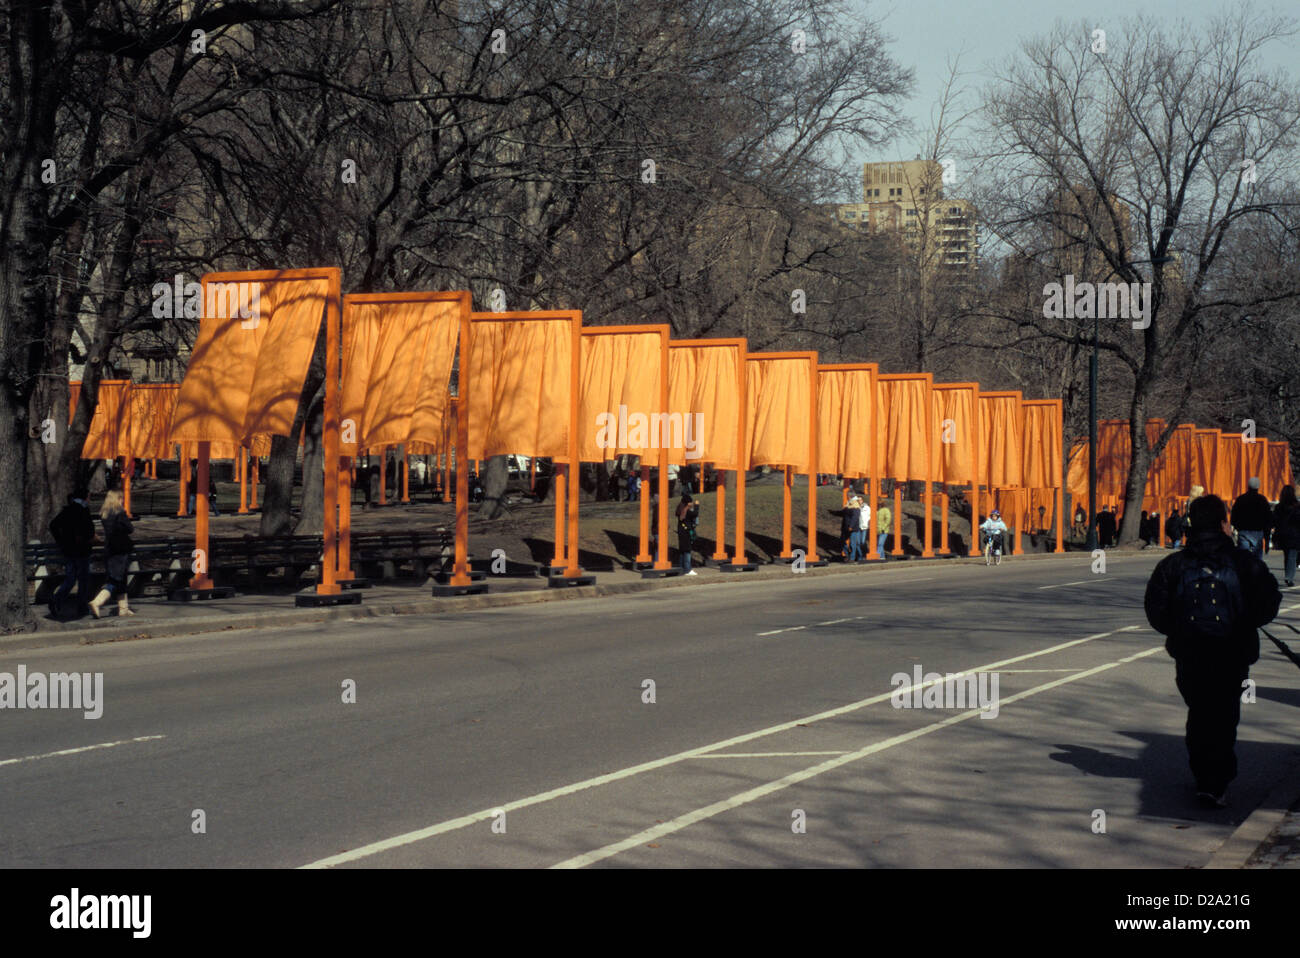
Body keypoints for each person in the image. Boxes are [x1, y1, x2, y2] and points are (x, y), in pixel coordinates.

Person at [1144, 494, 1280, 807]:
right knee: (1224, 713)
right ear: (1222, 523)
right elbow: (1269, 600)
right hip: (1232, 649)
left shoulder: (1174, 563)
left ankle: (1204, 775)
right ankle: (1216, 779)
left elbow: (1156, 609)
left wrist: (1178, 630)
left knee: (1200, 711)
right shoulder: (1243, 562)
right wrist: (1245, 622)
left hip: (1190, 650)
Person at [48, 487, 95, 618]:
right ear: (85, 497)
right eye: (89, 497)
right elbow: (89, 530)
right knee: (83, 580)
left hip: (69, 550)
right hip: (82, 549)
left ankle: (57, 599)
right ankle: (82, 607)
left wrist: (62, 541)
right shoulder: (83, 510)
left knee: (71, 579)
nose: (90, 499)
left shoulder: (68, 510)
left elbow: (53, 525)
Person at [89, 489, 136, 618]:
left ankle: (123, 608)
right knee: (115, 580)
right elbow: (130, 529)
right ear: (118, 499)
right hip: (120, 550)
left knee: (120, 579)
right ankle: (97, 602)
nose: (123, 500)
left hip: (110, 550)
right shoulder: (120, 512)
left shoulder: (105, 513)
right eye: (121, 498)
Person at [1230, 476, 1271, 558]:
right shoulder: (1262, 500)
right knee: (1257, 561)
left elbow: (1234, 517)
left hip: (1244, 532)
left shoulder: (1240, 499)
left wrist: (1238, 528)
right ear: (1258, 487)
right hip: (1258, 532)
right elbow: (1268, 519)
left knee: (1243, 559)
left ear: (1248, 486)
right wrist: (1267, 540)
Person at [1273, 484, 1300, 587]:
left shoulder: (1279, 507)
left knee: (1287, 555)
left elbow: (1274, 520)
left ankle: (1288, 576)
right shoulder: (1297, 506)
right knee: (1292, 556)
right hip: (1294, 534)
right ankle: (1289, 577)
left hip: (1282, 534)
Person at [675, 493, 699, 575]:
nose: (691, 503)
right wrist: (697, 506)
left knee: (682, 551)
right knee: (687, 551)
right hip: (686, 532)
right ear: (687, 503)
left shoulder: (680, 509)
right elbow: (695, 514)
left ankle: (681, 567)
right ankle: (687, 569)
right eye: (690, 502)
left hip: (681, 532)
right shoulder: (687, 511)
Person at [840, 496, 860, 561]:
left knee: (852, 543)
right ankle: (847, 555)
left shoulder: (856, 507)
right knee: (843, 541)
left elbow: (855, 518)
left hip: (853, 528)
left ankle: (852, 557)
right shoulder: (847, 506)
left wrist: (851, 526)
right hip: (845, 527)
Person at [856, 495, 871, 561]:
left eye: (860, 500)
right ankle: (860, 555)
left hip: (864, 526)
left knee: (863, 541)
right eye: (858, 500)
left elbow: (870, 516)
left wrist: (868, 523)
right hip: (858, 527)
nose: (859, 501)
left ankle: (865, 553)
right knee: (858, 542)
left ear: (862, 500)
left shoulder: (867, 508)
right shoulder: (856, 508)